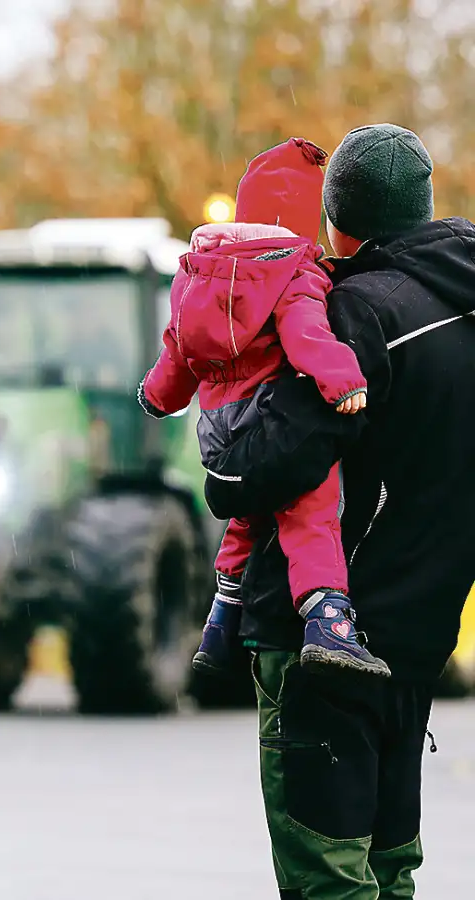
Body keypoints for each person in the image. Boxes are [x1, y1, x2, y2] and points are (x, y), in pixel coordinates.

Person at [202, 123, 475, 898]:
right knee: (391, 871)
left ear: (338, 218)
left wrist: (219, 414)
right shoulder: (465, 304)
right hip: (419, 644)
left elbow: (247, 472)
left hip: (326, 644)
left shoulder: (355, 314)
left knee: (330, 878)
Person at [138, 137, 389, 680]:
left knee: (245, 521)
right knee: (310, 516)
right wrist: (343, 384)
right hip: (270, 422)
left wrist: (156, 398)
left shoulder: (195, 274)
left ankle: (220, 622)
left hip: (218, 434)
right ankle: (328, 624)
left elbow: (175, 354)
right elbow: (307, 337)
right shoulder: (291, 271)